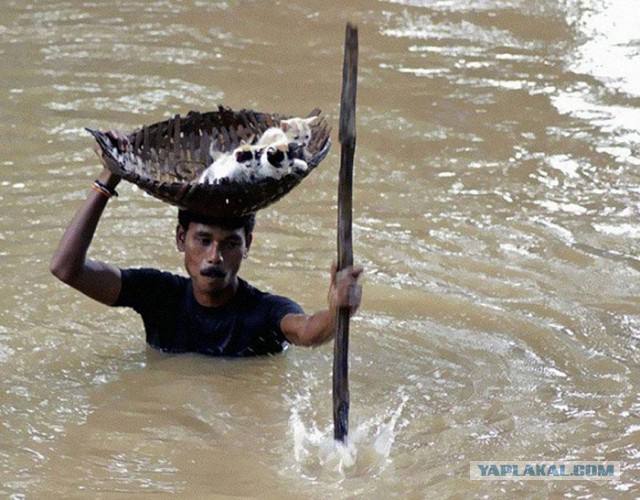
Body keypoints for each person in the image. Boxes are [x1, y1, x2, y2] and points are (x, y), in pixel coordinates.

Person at [50, 132, 363, 357]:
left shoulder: (266, 311)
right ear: (180, 238)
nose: (215, 257)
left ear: (248, 245)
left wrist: (338, 311)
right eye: (203, 240)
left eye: (230, 244)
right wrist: (107, 179)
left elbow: (307, 331)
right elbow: (66, 268)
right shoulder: (158, 296)